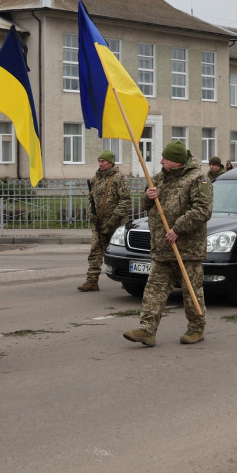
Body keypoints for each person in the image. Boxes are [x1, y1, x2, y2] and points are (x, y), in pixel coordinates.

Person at [123, 141, 212, 346]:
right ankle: (147, 330)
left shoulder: (198, 179)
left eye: (165, 158)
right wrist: (148, 196)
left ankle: (196, 328)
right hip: (162, 247)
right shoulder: (157, 179)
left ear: (177, 162)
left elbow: (203, 210)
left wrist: (177, 229)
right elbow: (145, 205)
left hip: (187, 248)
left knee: (191, 291)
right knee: (154, 289)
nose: (161, 161)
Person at [78, 150, 132, 292]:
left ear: (110, 163)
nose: (100, 164)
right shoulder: (96, 179)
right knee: (95, 251)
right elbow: (92, 200)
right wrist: (91, 214)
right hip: (99, 224)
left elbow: (125, 201)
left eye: (103, 161)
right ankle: (92, 281)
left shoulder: (119, 178)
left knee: (121, 253)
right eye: (99, 161)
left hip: (116, 224)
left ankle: (128, 280)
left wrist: (113, 220)